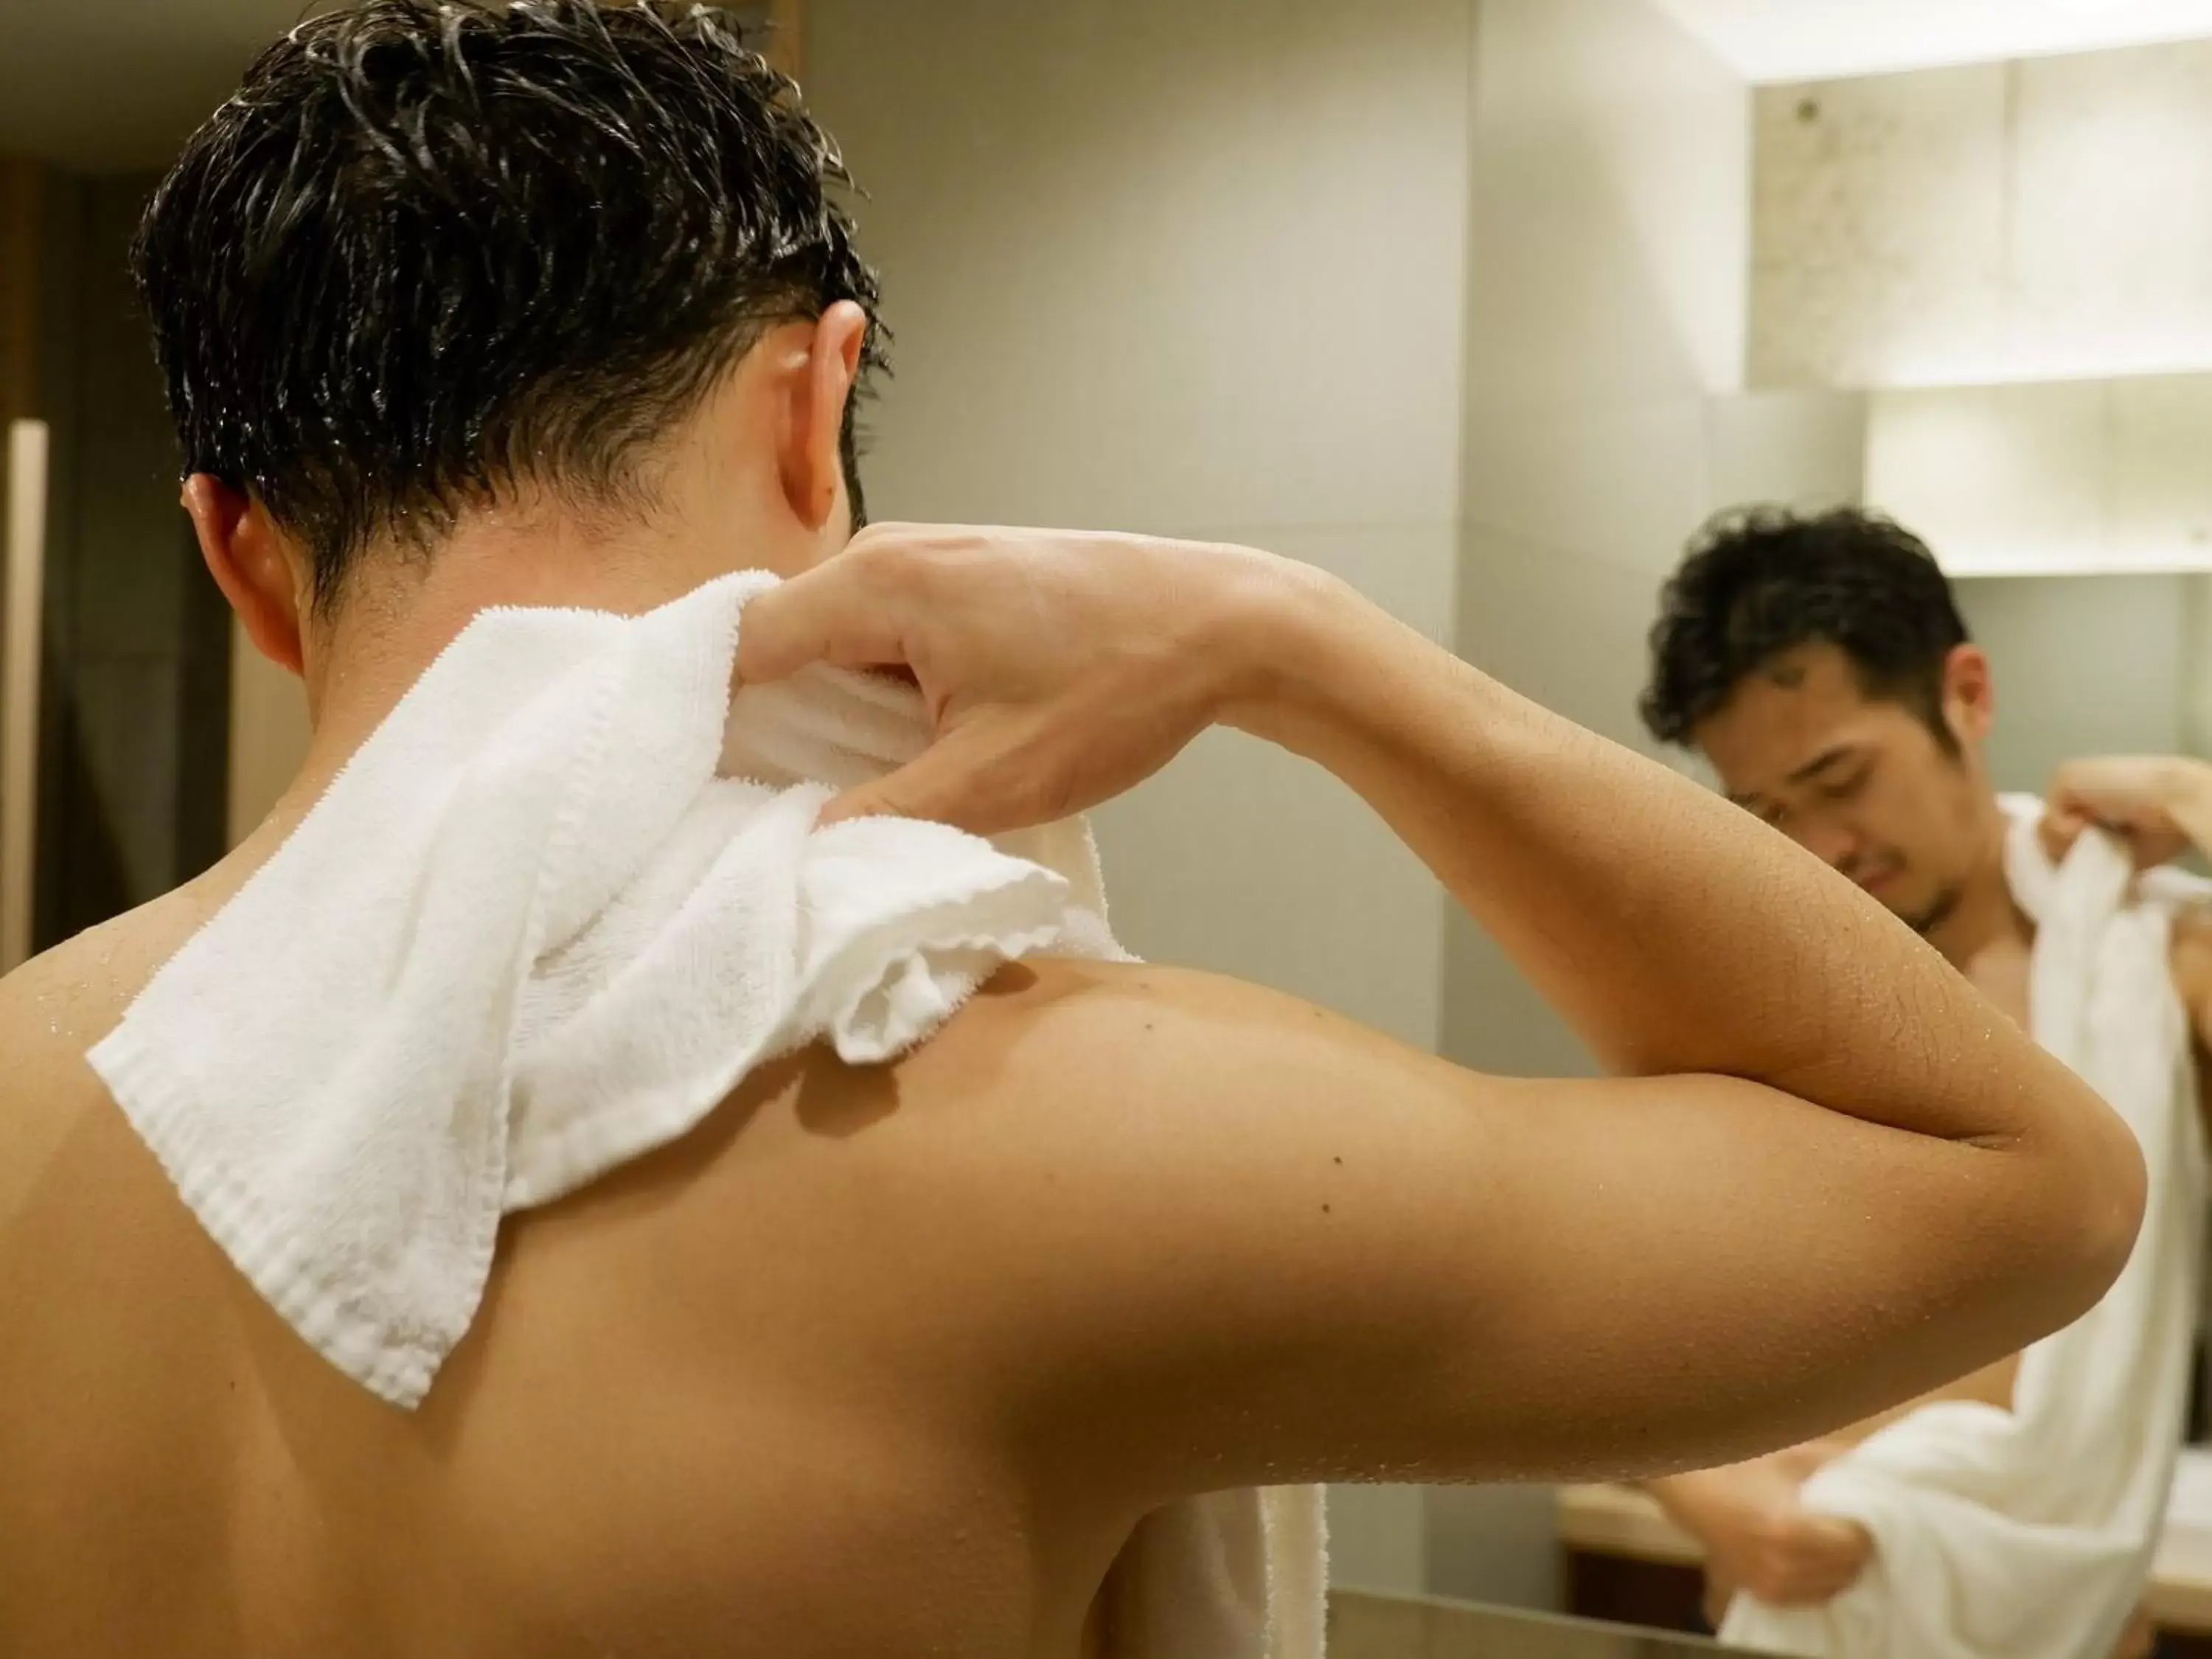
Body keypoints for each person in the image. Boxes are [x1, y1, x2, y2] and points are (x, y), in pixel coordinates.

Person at [0, 7, 2144, 1656]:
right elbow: (2012, 1185)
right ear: (814, 410)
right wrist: (1293, 640)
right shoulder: (997, 1111)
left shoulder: (27, 1089)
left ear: (239, 560)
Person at [1637, 505, 2212, 1649]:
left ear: (1967, 692)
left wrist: (2198, 797)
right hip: (1797, 1598)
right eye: (1768, 814)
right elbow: (1615, 1315)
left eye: (1840, 777)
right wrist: (1700, 1489)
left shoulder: (2148, 961)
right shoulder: (1756, 1010)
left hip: (2060, 1616)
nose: (1823, 849)